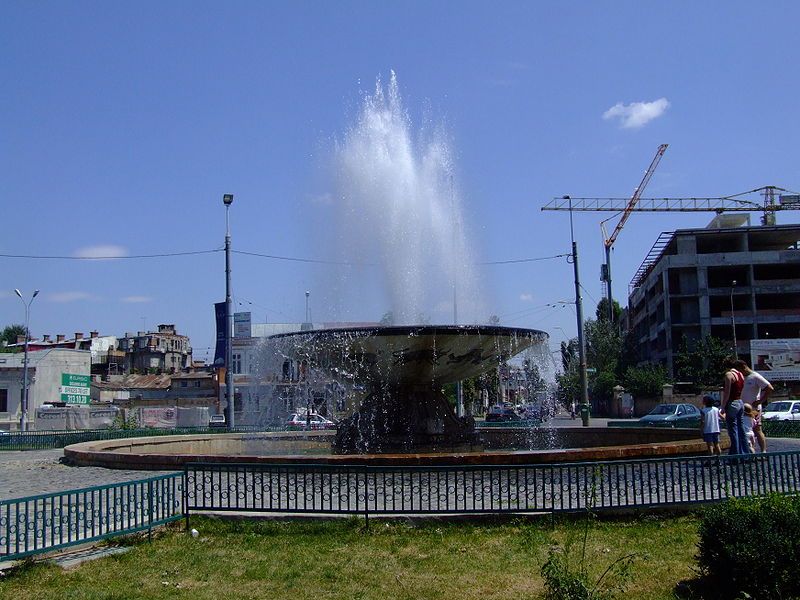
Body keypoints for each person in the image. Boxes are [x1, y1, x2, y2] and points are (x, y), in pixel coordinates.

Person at [735, 359, 773, 453]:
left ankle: (763, 451)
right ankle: (749, 450)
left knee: (757, 429)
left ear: (743, 367)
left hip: (753, 408)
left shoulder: (755, 376)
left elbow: (769, 388)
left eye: (739, 370)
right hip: (742, 408)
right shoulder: (742, 377)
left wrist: (761, 400)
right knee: (745, 430)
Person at [720, 356, 750, 455]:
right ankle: (745, 453)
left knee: (733, 430)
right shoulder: (740, 374)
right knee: (741, 429)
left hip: (732, 403)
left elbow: (727, 392)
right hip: (740, 402)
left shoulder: (729, 375)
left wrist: (723, 406)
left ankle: (735, 455)